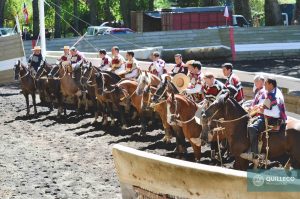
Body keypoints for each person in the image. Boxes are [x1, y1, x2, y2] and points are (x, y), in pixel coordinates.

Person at [240, 78, 287, 161]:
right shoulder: (273, 91)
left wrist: (263, 111)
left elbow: (276, 114)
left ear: (271, 85)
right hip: (269, 115)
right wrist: (259, 106)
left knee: (252, 128)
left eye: (265, 83)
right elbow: (267, 103)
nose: (264, 85)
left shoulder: (275, 96)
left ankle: (254, 155)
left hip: (272, 119)